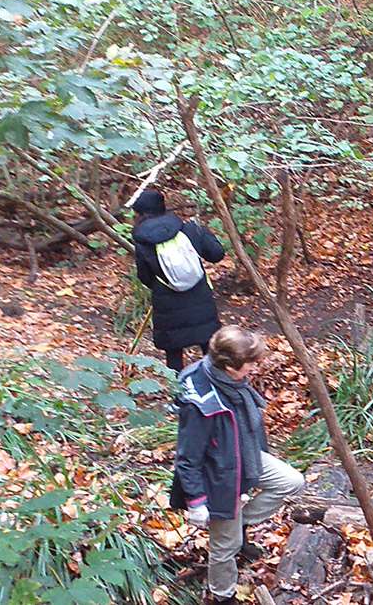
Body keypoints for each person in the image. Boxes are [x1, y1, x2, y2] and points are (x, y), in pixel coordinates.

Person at [171, 326, 305, 605]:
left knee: (291, 482)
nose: (256, 368)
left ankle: (239, 525)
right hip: (217, 476)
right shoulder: (200, 402)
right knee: (225, 546)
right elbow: (188, 458)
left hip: (243, 455)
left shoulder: (229, 381)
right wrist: (196, 502)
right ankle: (221, 596)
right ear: (230, 365)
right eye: (251, 363)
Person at [131, 190, 227, 372]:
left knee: (173, 354)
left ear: (141, 214)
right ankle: (215, 389)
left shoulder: (143, 242)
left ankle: (178, 395)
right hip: (200, 300)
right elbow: (217, 254)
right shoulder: (189, 229)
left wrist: (162, 285)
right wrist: (204, 232)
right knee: (211, 350)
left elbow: (144, 277)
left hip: (167, 305)